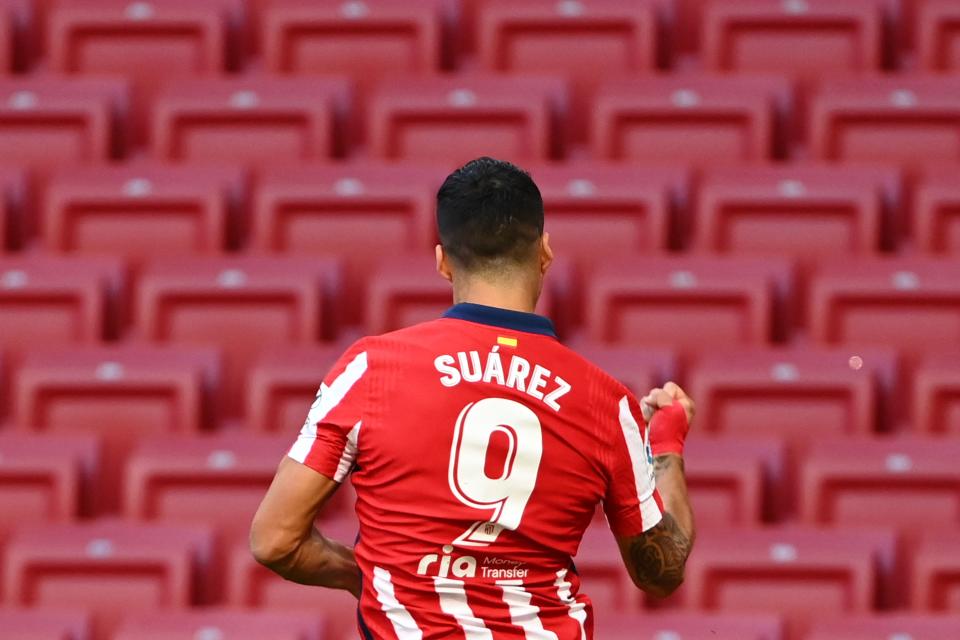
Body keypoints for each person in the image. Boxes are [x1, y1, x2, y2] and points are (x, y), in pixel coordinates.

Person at [250, 157, 696, 639]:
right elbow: (661, 572)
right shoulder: (606, 402)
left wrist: (368, 577)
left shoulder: (370, 371)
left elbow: (275, 540)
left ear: (442, 261)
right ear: (545, 251)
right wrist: (667, 443)